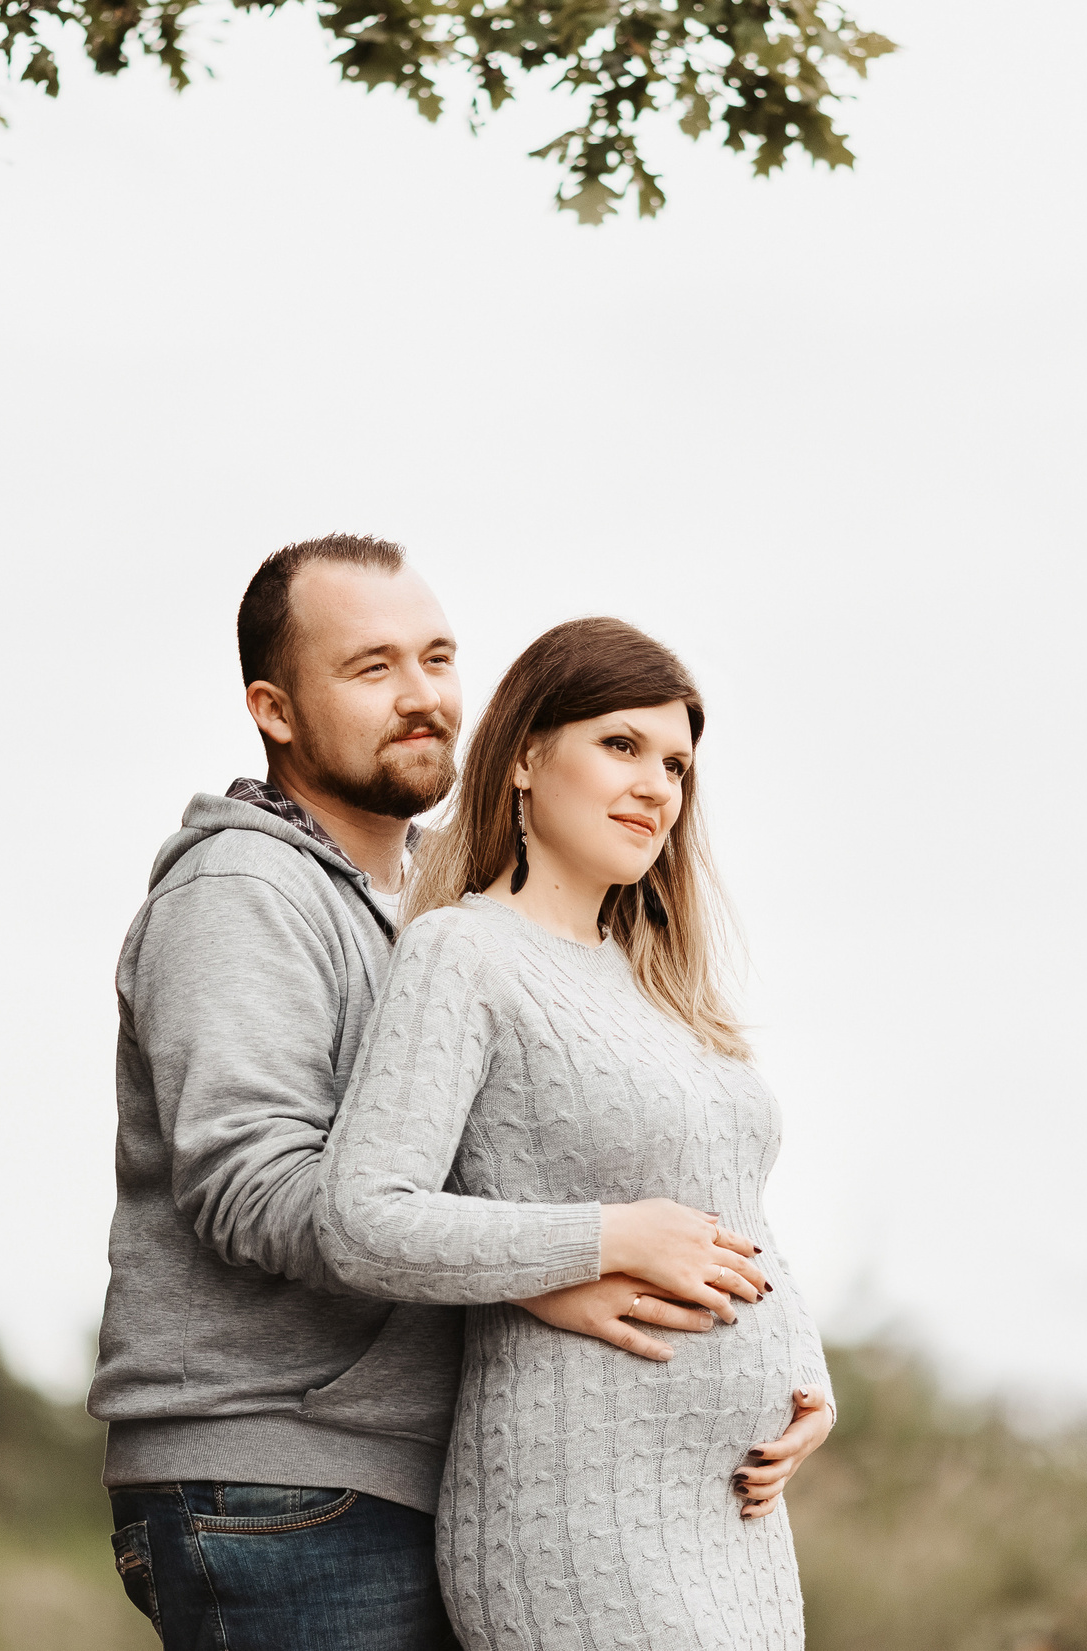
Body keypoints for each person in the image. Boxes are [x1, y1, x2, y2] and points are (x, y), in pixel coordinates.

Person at [90, 540, 722, 1651]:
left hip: (421, 1474)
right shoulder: (241, 892)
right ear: (274, 710)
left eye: (436, 658)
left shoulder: (449, 906)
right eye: (372, 669)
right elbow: (252, 1189)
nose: (424, 697)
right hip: (276, 1475)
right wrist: (546, 1269)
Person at [314, 616, 837, 1651]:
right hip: (581, 1507)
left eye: (677, 764)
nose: (656, 787)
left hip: (733, 1515)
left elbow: (736, 1203)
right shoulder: (462, 954)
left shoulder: (661, 986)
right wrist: (604, 1239)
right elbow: (362, 1218)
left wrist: (805, 1372)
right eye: (620, 746)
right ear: (521, 759)